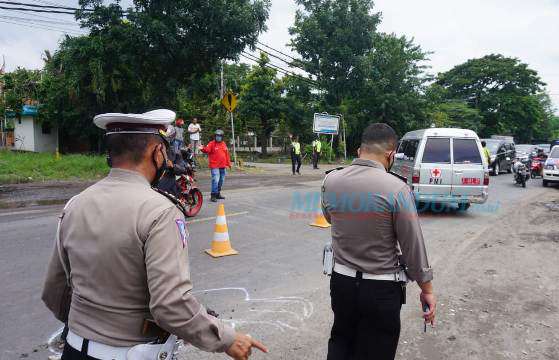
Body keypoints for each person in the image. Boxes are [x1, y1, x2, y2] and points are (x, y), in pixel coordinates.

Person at [41, 109, 266, 360]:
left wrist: (89, 327)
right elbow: (171, 306)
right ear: (157, 152)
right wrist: (227, 338)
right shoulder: (160, 213)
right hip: (128, 354)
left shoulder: (75, 204)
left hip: (74, 350)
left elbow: (54, 291)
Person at [321, 123, 436, 360]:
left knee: (341, 341)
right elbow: (412, 245)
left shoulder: (330, 181)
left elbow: (329, 218)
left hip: (341, 284)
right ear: (390, 154)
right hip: (380, 291)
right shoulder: (396, 189)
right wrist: (427, 290)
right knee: (376, 350)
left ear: (359, 150)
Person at [200, 129, 231, 202]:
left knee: (221, 181)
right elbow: (207, 150)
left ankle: (218, 193)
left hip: (222, 166)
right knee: (215, 180)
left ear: (222, 137)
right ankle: (213, 195)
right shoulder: (211, 143)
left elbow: (226, 154)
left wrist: (228, 163)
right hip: (215, 166)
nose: (218, 137)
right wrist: (202, 148)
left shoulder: (224, 144)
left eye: (220, 136)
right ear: (215, 136)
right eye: (217, 136)